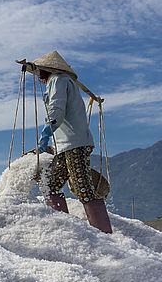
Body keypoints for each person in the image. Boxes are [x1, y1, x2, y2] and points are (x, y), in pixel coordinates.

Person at [31, 50, 113, 233]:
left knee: (82, 186)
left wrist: (46, 132)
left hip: (74, 143)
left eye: (38, 72)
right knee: (50, 184)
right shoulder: (59, 82)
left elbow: (56, 110)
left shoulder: (58, 80)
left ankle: (103, 234)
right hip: (64, 144)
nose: (38, 76)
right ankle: (64, 229)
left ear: (46, 70)